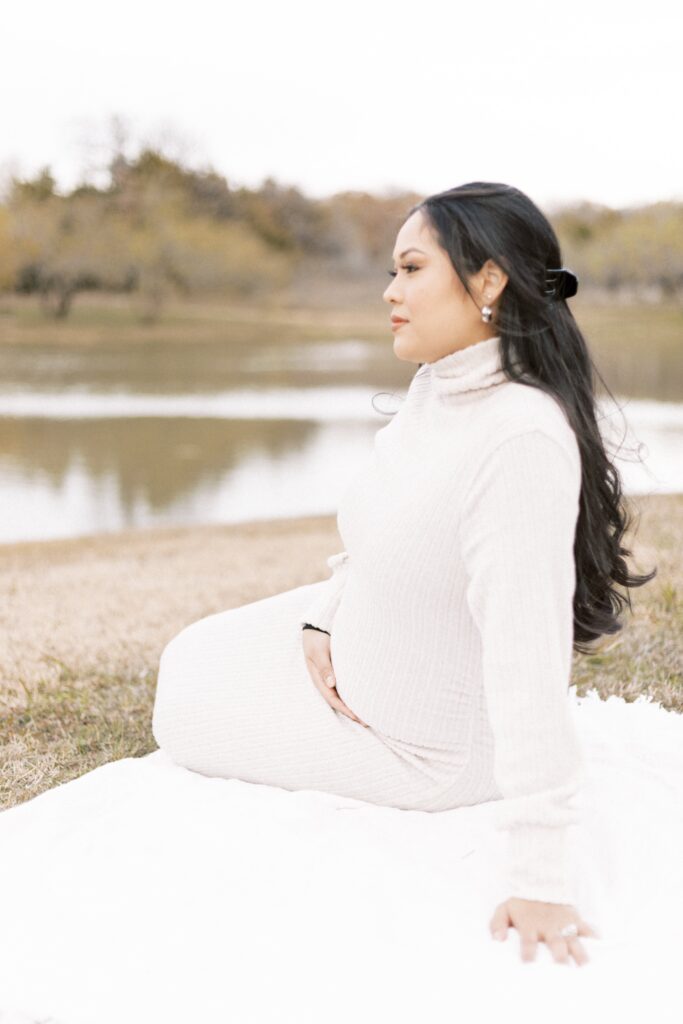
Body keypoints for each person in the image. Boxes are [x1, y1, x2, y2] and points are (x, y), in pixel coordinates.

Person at [151, 181, 655, 969]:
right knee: (187, 654)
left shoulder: (519, 438)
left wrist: (539, 877)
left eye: (411, 268)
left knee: (178, 714)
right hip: (361, 643)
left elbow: (528, 663)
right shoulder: (439, 387)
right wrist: (325, 617)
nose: (389, 291)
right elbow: (376, 533)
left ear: (487, 281)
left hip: (426, 753)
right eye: (392, 270)